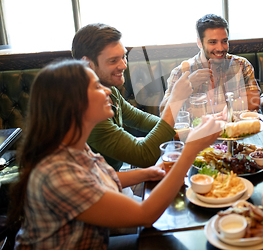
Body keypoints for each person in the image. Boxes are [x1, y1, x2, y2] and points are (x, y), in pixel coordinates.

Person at [7, 59, 223, 249]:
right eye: (96, 87)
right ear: (72, 104)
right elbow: (145, 215)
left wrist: (147, 173)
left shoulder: (73, 145)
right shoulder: (58, 172)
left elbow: (98, 180)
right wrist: (190, 149)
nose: (108, 91)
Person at [72, 23, 187, 171]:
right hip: (101, 188)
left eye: (124, 57)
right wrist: (175, 101)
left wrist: (179, 130)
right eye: (113, 61)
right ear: (87, 64)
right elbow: (143, 156)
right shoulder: (86, 109)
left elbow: (139, 119)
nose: (124, 65)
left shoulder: (109, 90)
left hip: (115, 176)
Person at [159, 14, 261, 114]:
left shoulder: (242, 65)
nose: (220, 48)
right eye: (212, 42)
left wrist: (206, 110)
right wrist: (187, 85)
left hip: (237, 129)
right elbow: (164, 113)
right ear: (199, 43)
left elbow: (255, 102)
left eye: (224, 41)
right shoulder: (181, 72)